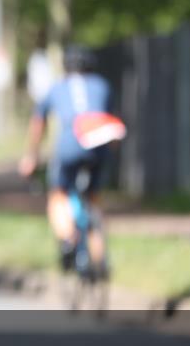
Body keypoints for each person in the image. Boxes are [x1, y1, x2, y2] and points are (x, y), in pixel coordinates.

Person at [19, 45, 117, 276]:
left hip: (69, 145)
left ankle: (66, 239)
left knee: (58, 194)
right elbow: (110, 119)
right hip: (98, 143)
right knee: (94, 199)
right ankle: (100, 259)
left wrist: (32, 156)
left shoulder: (57, 88)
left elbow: (38, 123)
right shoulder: (103, 85)